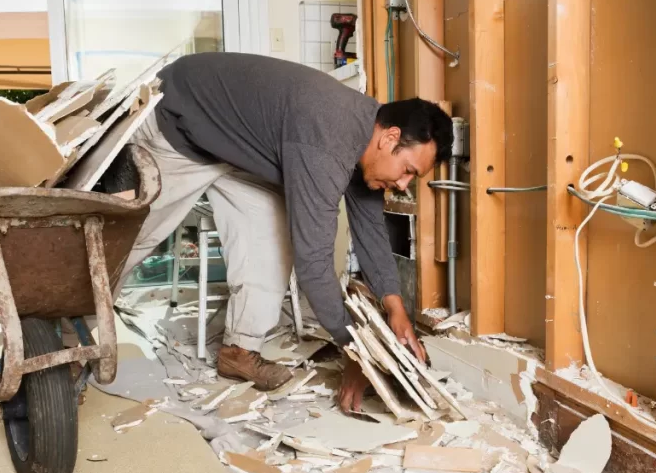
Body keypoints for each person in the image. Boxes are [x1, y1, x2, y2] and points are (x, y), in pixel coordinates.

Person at [122, 52, 453, 412]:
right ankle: (70, 329)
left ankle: (238, 351)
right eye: (407, 170)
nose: (404, 185)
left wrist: (394, 305)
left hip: (241, 150)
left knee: (271, 243)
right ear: (390, 138)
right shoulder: (325, 143)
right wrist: (355, 349)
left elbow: (370, 229)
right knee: (130, 238)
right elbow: (314, 264)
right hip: (181, 126)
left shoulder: (364, 142)